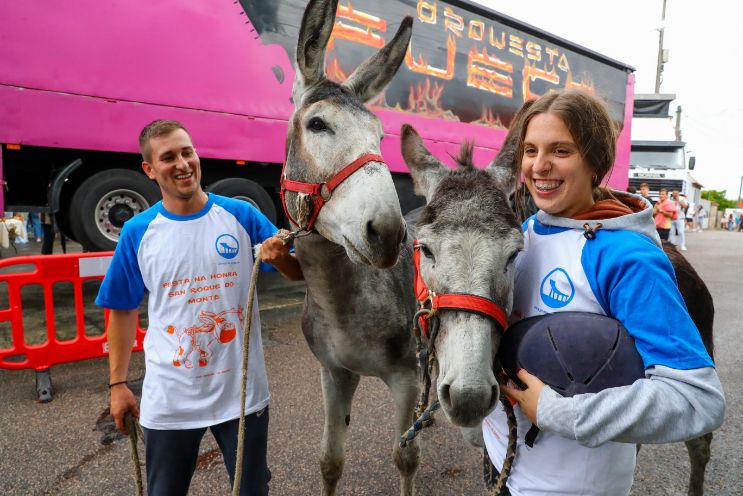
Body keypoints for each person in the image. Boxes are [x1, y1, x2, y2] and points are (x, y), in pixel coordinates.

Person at [482, 90, 725, 496]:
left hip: (572, 488)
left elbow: (698, 399)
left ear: (595, 161)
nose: (539, 166)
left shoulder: (625, 258)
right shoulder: (524, 235)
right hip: (506, 467)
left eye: (560, 150)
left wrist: (560, 412)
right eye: (530, 150)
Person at [96, 120, 303, 496]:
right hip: (170, 397)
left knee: (252, 489)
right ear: (149, 169)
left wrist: (281, 254)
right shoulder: (138, 231)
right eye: (168, 157)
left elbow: (296, 271)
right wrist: (118, 384)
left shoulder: (240, 216)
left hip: (241, 396)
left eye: (187, 152)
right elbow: (122, 309)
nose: (182, 164)